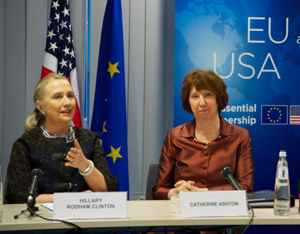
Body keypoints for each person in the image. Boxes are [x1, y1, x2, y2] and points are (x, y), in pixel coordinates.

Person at [5, 73, 119, 204]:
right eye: (57, 97)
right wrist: (73, 200)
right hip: (41, 221)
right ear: (40, 107)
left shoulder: (88, 138)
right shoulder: (25, 144)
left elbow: (107, 190)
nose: (67, 102)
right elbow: (18, 196)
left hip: (85, 219)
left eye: (70, 96)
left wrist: (86, 167)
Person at [153, 69, 254, 200]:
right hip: (183, 216)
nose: (202, 103)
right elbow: (158, 190)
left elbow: (245, 187)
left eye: (208, 95)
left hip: (224, 215)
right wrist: (174, 192)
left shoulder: (240, 136)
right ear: (188, 102)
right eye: (195, 96)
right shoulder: (175, 136)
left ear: (219, 99)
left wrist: (203, 192)